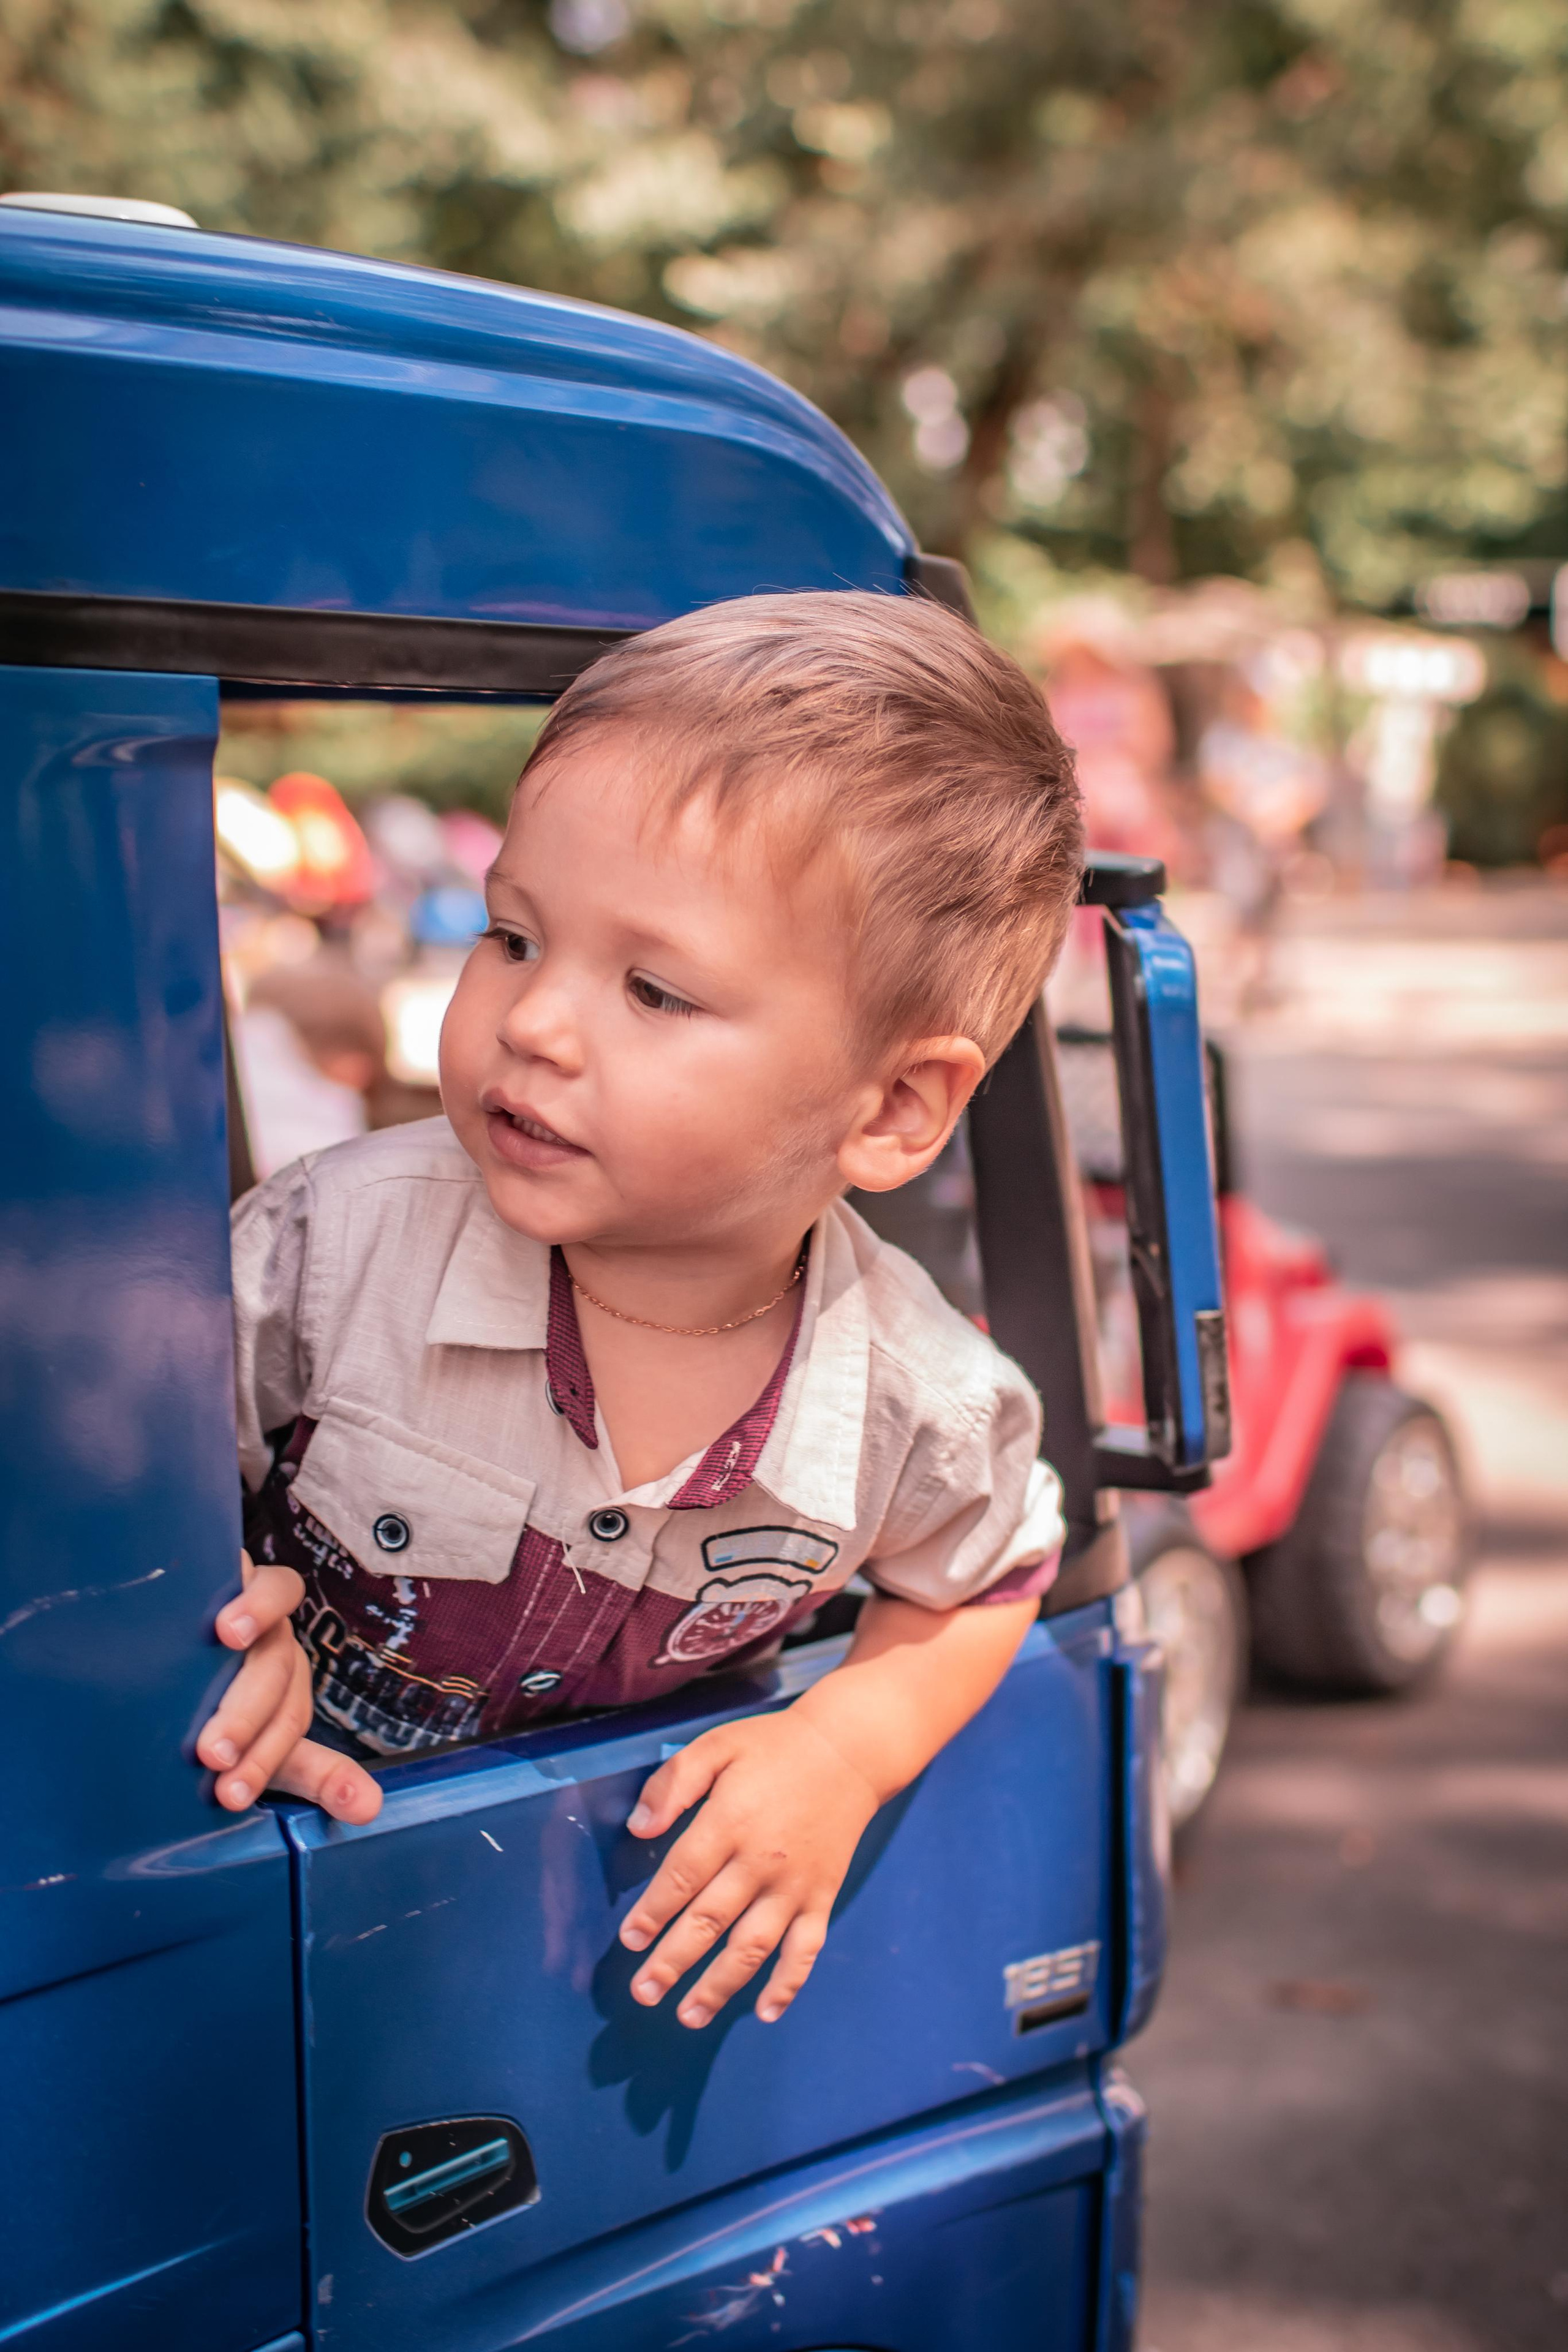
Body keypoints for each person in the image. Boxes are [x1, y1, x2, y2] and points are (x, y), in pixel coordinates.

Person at [195, 591, 1084, 2032]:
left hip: (567, 1996)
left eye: (653, 990)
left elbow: (984, 1575)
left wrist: (846, 1749)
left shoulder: (913, 1397)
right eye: (513, 938)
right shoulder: (328, 1249)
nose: (534, 1022)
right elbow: (101, 1490)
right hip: (250, 1919)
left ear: (897, 1105)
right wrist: (218, 1630)